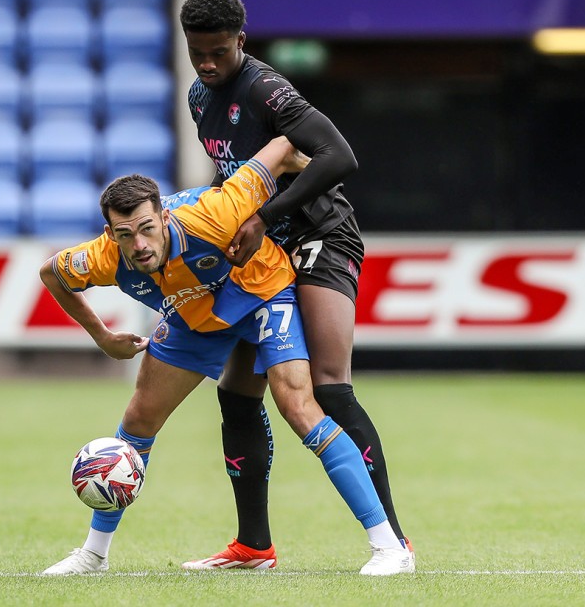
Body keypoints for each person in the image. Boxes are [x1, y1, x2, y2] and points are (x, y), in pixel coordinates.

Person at [39, 137, 412, 576]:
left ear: (164, 217)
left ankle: (389, 546)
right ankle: (93, 555)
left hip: (262, 291)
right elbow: (52, 273)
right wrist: (102, 336)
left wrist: (309, 163)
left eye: (147, 228)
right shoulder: (103, 257)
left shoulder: (215, 212)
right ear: (110, 235)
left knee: (298, 405)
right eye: (125, 235)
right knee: (138, 420)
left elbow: (281, 146)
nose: (139, 244)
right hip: (193, 312)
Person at [178, 0, 413, 571]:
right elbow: (234, 174)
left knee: (329, 387)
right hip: (266, 253)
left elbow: (339, 156)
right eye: (196, 52)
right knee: (236, 392)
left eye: (218, 51)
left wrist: (264, 216)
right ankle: (253, 546)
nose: (207, 63)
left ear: (241, 41)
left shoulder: (266, 89)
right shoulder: (199, 96)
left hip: (320, 235)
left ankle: (395, 544)